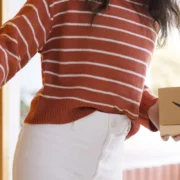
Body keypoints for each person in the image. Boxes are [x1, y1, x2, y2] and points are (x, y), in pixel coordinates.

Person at [0, 0, 180, 179]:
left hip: (110, 161)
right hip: (52, 155)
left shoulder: (149, 12)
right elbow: (8, 48)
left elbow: (115, 80)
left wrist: (152, 108)